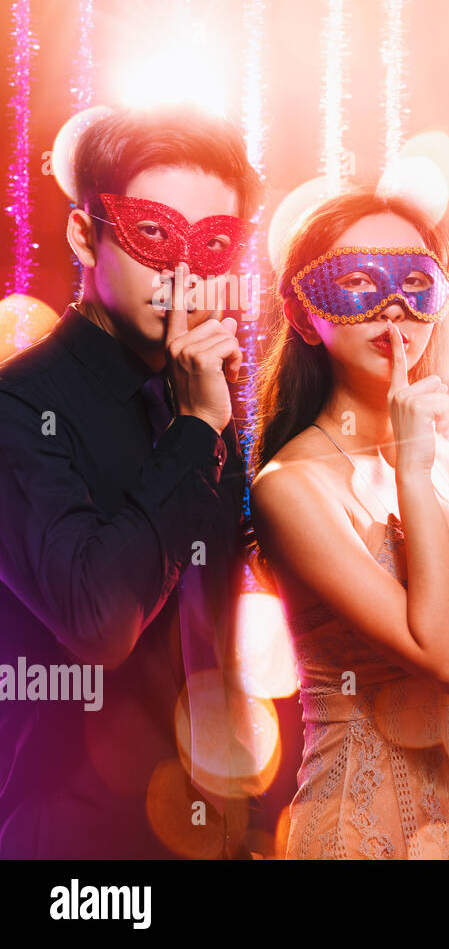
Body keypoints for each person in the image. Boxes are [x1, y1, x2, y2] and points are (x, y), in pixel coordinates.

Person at [0, 106, 259, 857]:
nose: (183, 273)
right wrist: (193, 433)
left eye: (213, 244)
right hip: (74, 848)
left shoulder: (204, 397)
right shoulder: (19, 409)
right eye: (153, 234)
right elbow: (101, 624)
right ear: (86, 234)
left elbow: (220, 628)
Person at [250, 190, 449, 859]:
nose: (391, 306)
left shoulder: (443, 457)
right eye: (358, 282)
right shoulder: (291, 487)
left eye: (414, 282)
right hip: (356, 829)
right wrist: (412, 472)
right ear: (306, 319)